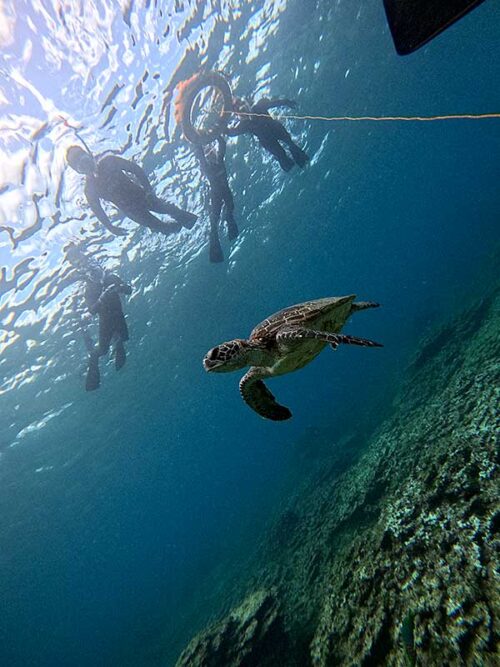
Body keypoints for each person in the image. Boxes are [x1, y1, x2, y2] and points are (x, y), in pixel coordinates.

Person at [66, 146, 197, 237]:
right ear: (78, 171)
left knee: (171, 210)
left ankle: (192, 223)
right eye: (81, 166)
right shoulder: (90, 189)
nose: (87, 166)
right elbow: (98, 211)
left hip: (144, 197)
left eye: (85, 160)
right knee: (162, 228)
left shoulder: (109, 162)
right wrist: (111, 227)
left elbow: (136, 169)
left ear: (89, 155)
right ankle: (175, 228)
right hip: (133, 212)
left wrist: (149, 190)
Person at [66, 244, 131, 391]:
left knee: (121, 338)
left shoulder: (111, 277)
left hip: (118, 316)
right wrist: (103, 297)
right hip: (105, 322)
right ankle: (93, 364)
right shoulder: (89, 289)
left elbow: (129, 290)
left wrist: (119, 287)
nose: (94, 275)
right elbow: (92, 311)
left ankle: (118, 347)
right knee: (102, 351)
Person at [226, 97, 309, 172]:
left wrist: (287, 102)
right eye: (238, 109)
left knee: (291, 145)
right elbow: (231, 133)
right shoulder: (244, 124)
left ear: (247, 103)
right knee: (282, 157)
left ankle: (301, 164)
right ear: (237, 115)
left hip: (275, 130)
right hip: (268, 140)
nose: (241, 108)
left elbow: (275, 102)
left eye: (240, 103)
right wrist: (222, 128)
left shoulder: (258, 107)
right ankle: (295, 168)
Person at [194, 137, 238, 263]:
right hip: (217, 196)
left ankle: (228, 221)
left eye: (211, 153)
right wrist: (198, 142)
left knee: (229, 210)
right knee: (214, 221)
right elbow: (201, 156)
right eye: (209, 154)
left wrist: (216, 135)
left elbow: (222, 144)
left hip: (223, 193)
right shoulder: (208, 167)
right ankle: (215, 242)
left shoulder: (219, 160)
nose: (211, 155)